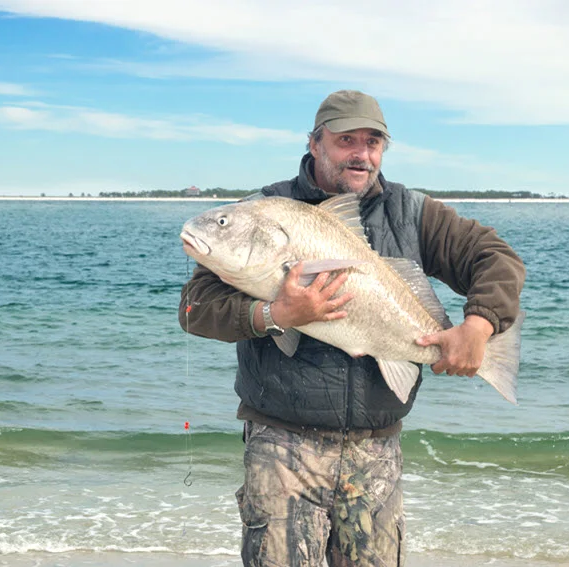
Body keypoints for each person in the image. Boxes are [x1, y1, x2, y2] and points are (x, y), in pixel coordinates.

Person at [179, 90, 525, 567]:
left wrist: (480, 325)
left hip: (376, 450)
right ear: (315, 143)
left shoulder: (410, 211)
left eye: (373, 142)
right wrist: (276, 315)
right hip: (281, 449)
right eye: (346, 140)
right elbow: (195, 308)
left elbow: (496, 258)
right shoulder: (263, 210)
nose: (362, 154)